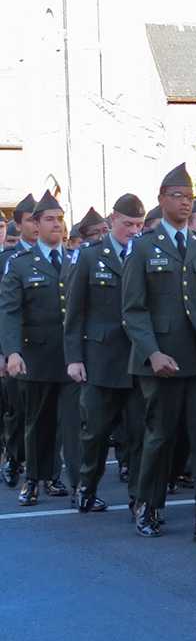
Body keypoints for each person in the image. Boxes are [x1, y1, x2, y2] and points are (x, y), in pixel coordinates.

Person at [121, 162, 196, 542]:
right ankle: (148, 506)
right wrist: (152, 353)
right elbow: (133, 308)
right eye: (177, 196)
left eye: (189, 197)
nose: (184, 203)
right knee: (159, 436)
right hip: (161, 360)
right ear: (161, 199)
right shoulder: (144, 247)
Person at [63, 193, 147, 514]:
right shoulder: (89, 257)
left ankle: (138, 496)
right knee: (95, 432)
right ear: (113, 221)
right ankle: (87, 485)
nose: (134, 230)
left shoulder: (145, 254)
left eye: (139, 225)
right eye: (128, 224)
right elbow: (75, 312)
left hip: (138, 359)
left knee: (140, 432)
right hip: (101, 358)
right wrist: (74, 357)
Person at [0, 191, 70, 505]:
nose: (57, 225)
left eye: (60, 219)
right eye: (50, 220)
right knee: (36, 421)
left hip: (71, 356)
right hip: (36, 355)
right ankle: (32, 479)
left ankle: (54, 477)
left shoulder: (76, 259)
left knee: (62, 422)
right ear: (36, 225)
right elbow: (9, 311)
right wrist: (11, 351)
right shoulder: (20, 264)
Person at [0, 194, 38, 489]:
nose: (37, 226)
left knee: (47, 413)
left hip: (45, 348)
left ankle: (44, 472)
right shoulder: (6, 261)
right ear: (18, 224)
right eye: (31, 220)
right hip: (15, 347)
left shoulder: (58, 256)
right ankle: (14, 456)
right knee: (18, 410)